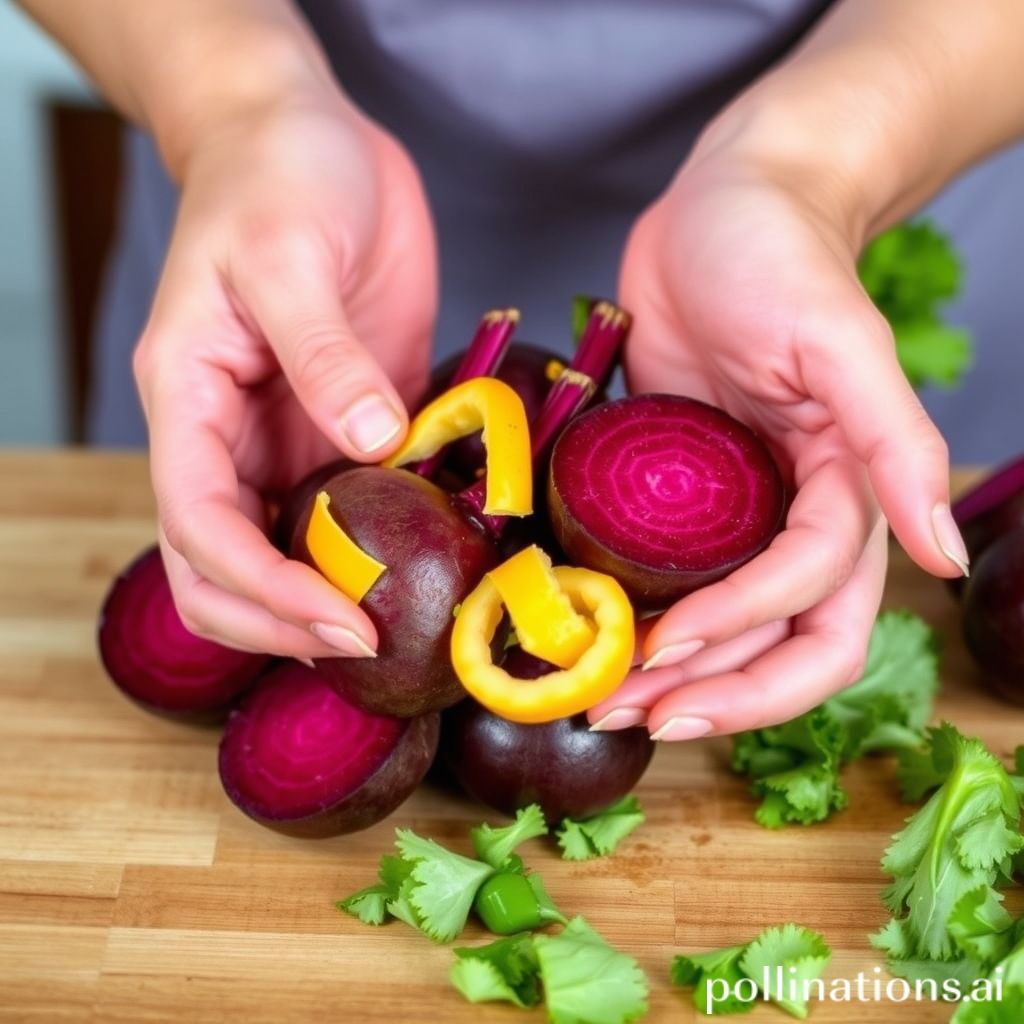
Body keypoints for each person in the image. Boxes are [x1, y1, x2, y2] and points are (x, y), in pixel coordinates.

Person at [20, 1, 1023, 741]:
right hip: (291, 243)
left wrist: (808, 171)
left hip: (860, 173)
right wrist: (236, 103)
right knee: (239, 550)